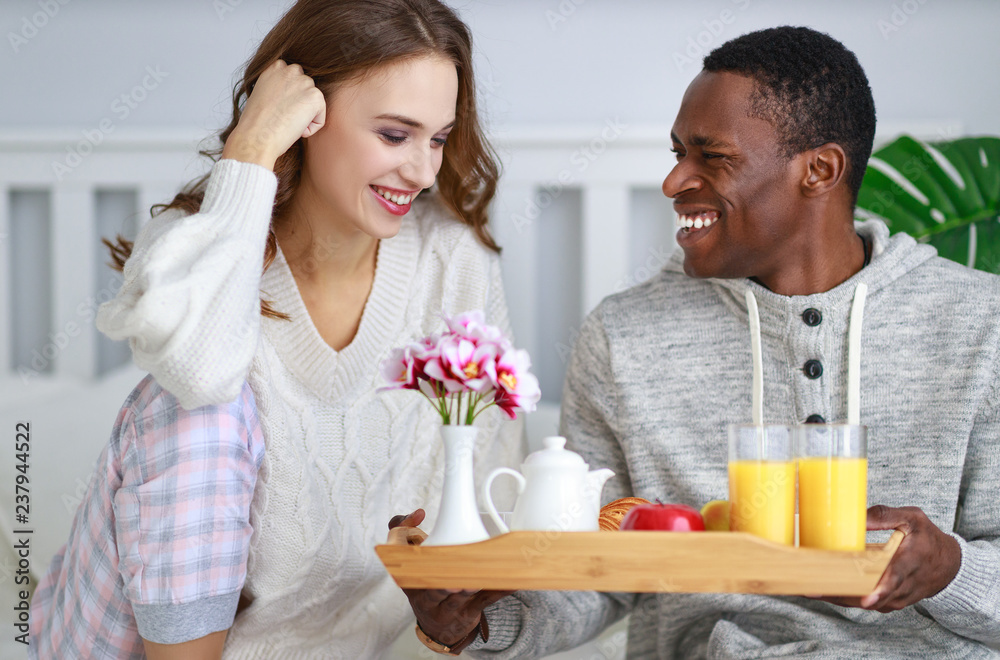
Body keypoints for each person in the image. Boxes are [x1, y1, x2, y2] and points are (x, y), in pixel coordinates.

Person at [401, 26, 1000, 658]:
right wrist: (475, 623)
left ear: (819, 170)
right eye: (676, 152)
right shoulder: (621, 337)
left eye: (712, 157)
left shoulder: (981, 325)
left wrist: (952, 568)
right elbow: (597, 576)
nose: (673, 182)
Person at [28, 1, 525, 658]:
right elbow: (199, 377)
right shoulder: (194, 248)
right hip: (114, 642)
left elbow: (490, 491)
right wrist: (254, 147)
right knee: (196, 409)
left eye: (437, 139)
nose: (423, 171)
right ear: (307, 118)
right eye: (395, 135)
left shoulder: (453, 264)